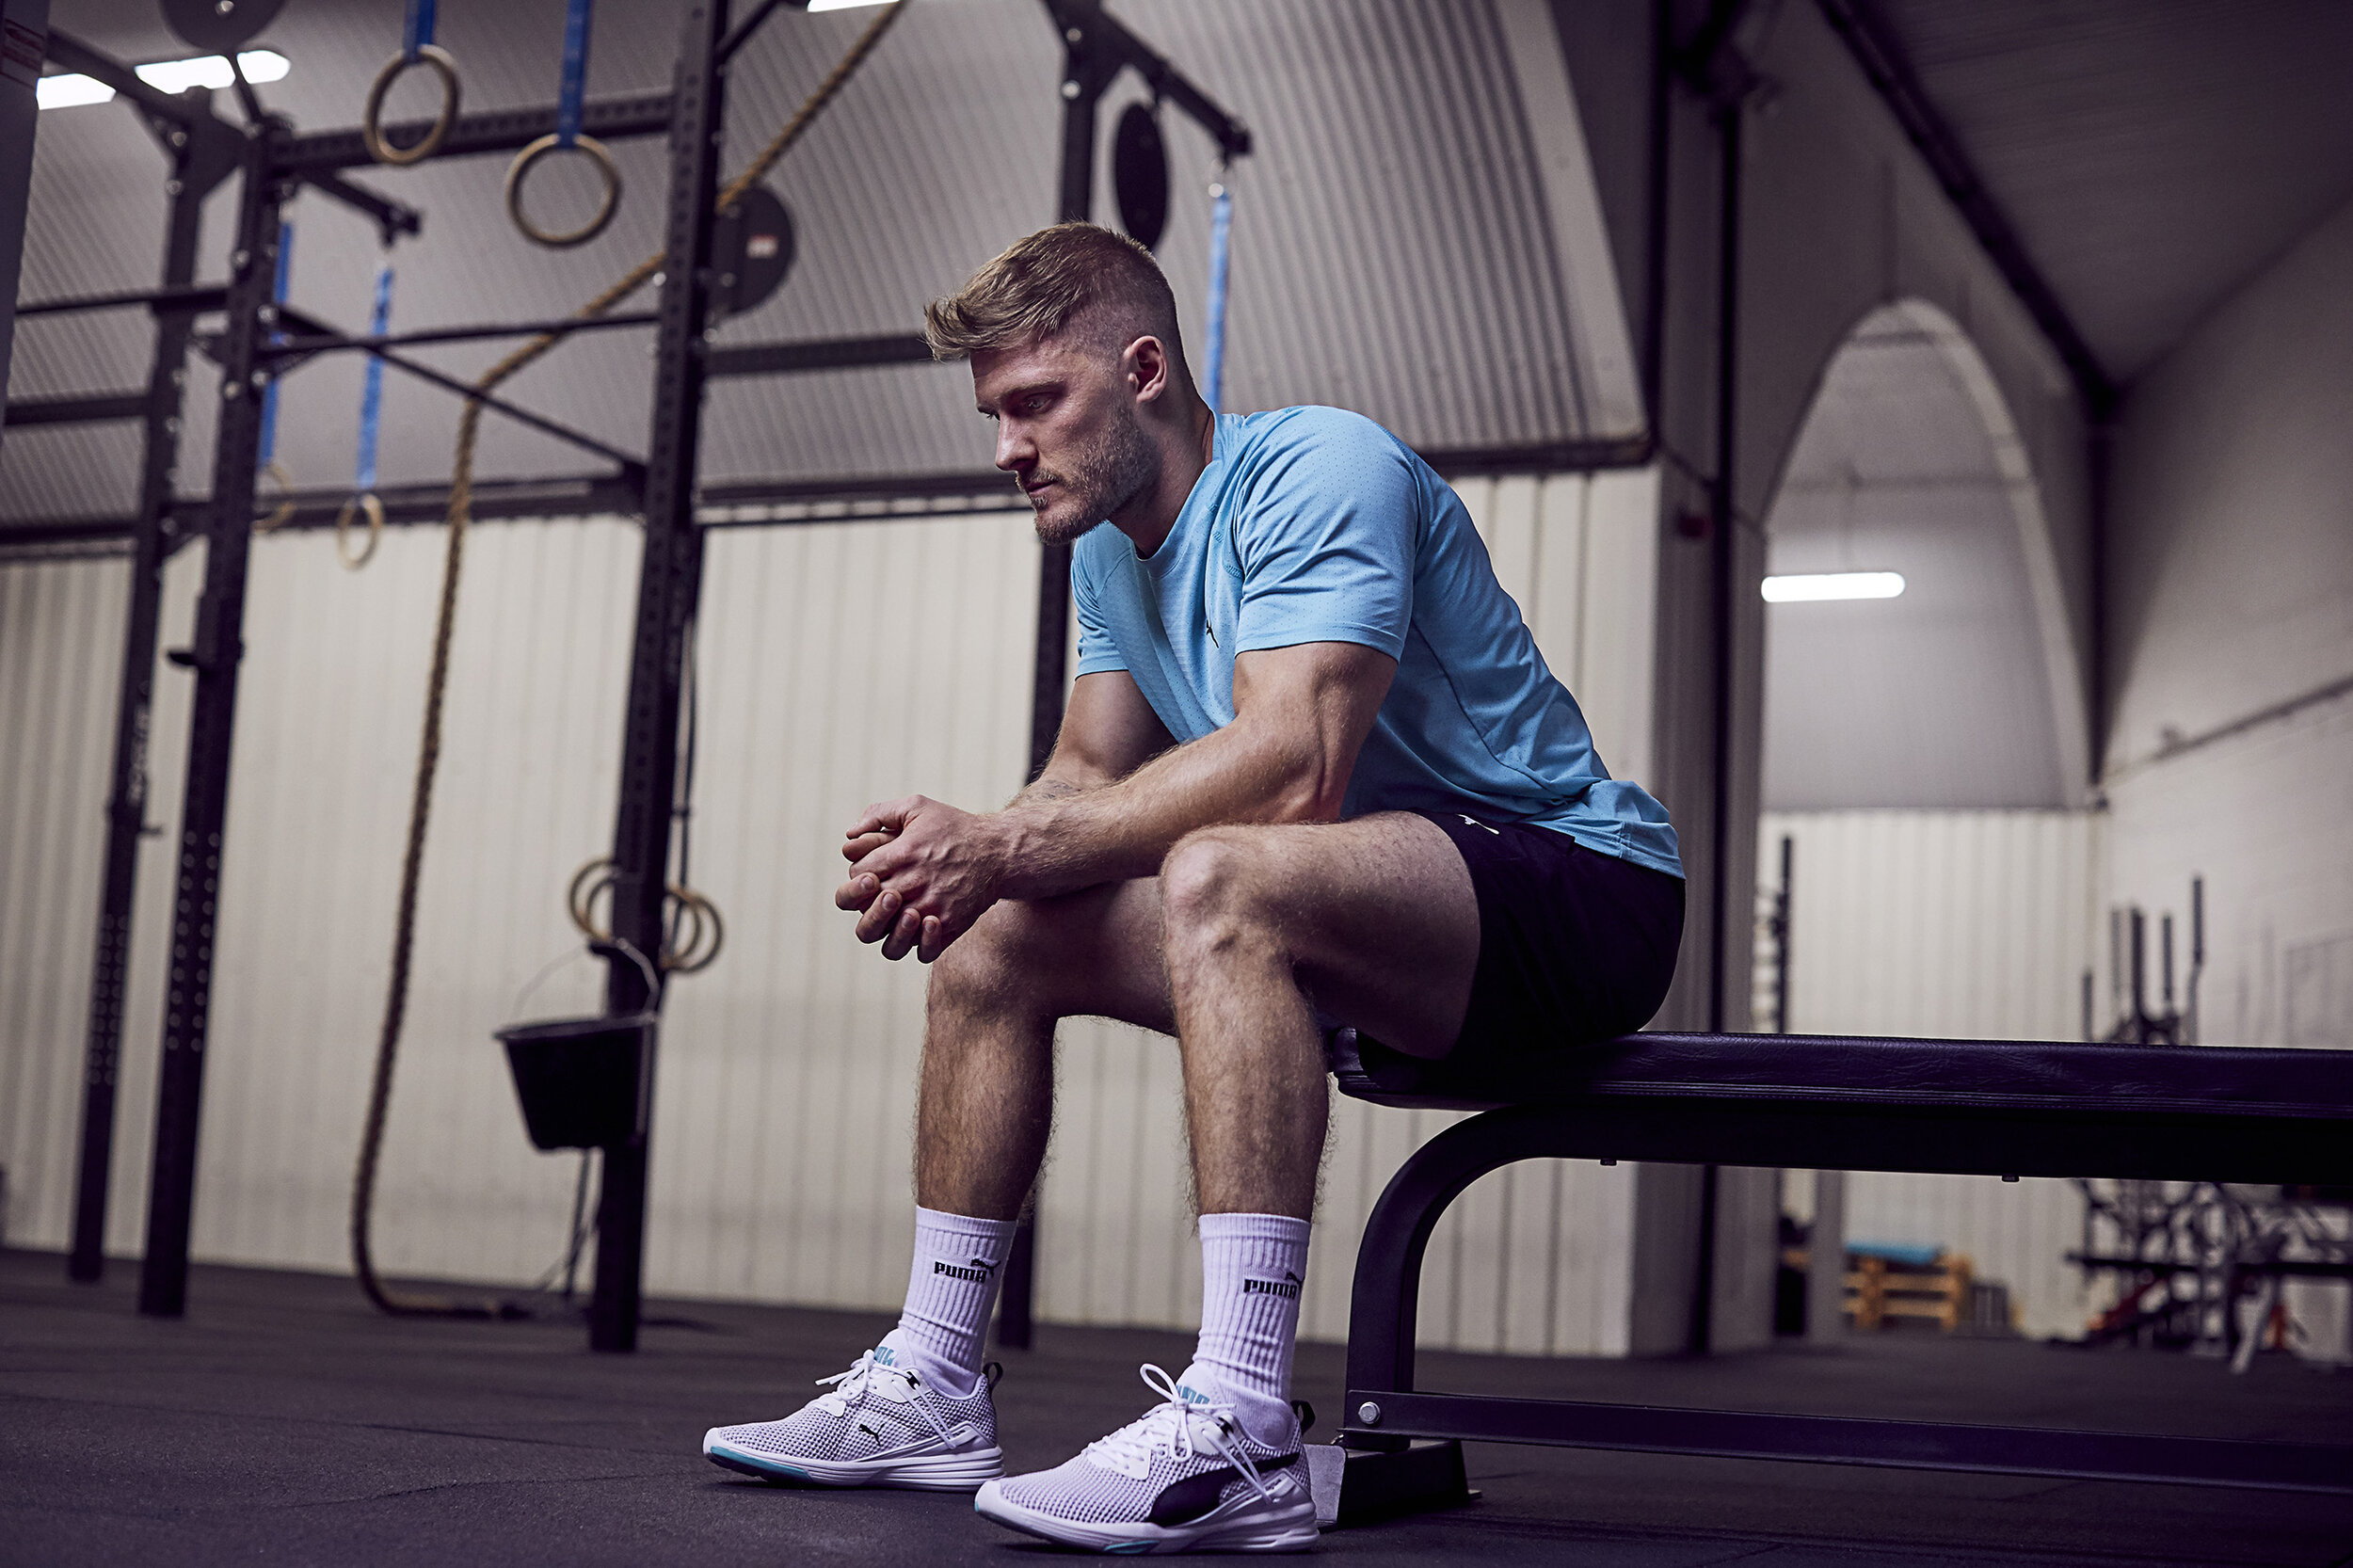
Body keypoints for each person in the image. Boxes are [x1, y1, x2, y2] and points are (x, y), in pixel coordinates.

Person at [701, 222, 1683, 1553]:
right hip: (1361, 914)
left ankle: (1240, 1422)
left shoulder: (1317, 465)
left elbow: (1294, 772)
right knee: (994, 937)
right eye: (993, 412)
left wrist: (1008, 844)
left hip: (1576, 890)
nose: (1006, 445)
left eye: (1035, 402)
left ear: (1145, 367)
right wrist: (969, 849)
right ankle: (932, 1380)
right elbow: (1083, 776)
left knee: (1222, 871)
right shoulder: (1111, 547)